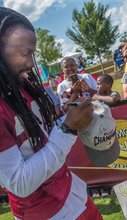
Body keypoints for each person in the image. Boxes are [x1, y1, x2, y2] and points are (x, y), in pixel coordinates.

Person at [0, 7, 103, 220]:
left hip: (72, 193)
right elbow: (19, 182)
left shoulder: (21, 85)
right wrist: (68, 128)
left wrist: (72, 113)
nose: (30, 63)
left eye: (32, 53)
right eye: (23, 53)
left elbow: (45, 136)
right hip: (44, 213)